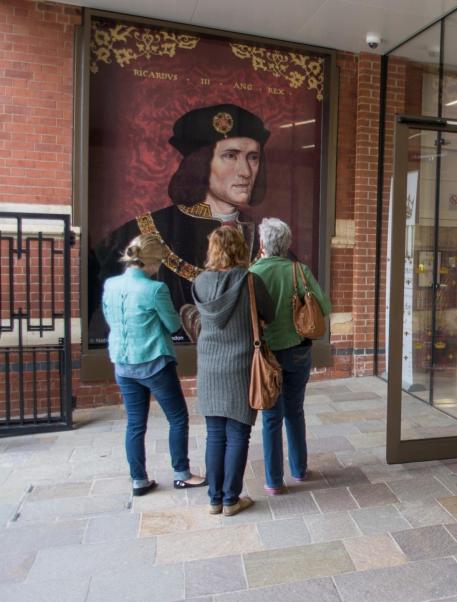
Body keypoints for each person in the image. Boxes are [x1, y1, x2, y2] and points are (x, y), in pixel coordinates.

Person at [91, 103, 270, 344]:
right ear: (201, 162)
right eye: (230, 155)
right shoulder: (141, 231)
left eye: (253, 158)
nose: (246, 172)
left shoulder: (264, 236)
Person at [101, 234, 206, 496]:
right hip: (154, 363)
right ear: (152, 262)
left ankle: (139, 480)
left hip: (123, 364)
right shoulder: (155, 289)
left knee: (135, 424)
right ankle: (181, 474)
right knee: (178, 418)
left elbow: (110, 318)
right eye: (158, 262)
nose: (159, 267)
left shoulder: (111, 285)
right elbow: (172, 325)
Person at [192, 226, 274, 516]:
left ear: (212, 249)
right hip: (241, 366)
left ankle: (215, 499)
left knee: (215, 434)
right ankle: (230, 499)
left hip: (210, 366)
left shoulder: (200, 282)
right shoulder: (250, 281)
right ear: (241, 248)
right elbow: (270, 314)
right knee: (239, 434)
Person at [249, 218, 332, 495]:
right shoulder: (300, 271)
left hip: (267, 355)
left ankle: (274, 481)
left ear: (262, 244)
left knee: (272, 417)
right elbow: (324, 306)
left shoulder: (253, 273)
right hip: (297, 352)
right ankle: (299, 469)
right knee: (295, 411)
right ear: (288, 244)